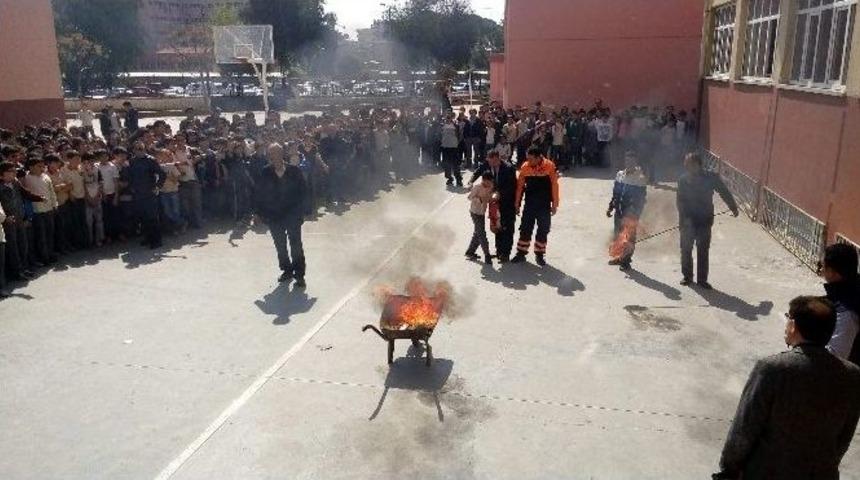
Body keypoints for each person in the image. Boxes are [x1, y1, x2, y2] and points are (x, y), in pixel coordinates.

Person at [714, 296, 860, 480]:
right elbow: (845, 436)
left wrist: (729, 469)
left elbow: (745, 427)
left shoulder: (773, 368)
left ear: (793, 325)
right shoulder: (852, 375)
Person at [676, 152, 739, 289]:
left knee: (703, 250)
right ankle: (687, 276)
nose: (688, 167)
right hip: (688, 221)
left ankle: (702, 280)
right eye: (686, 165)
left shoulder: (711, 178)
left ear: (699, 165)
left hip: (704, 220)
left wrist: (733, 207)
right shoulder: (682, 180)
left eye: (691, 164)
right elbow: (680, 201)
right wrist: (682, 220)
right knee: (686, 249)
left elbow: (724, 191)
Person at [253, 143, 308, 288]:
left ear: (282, 154)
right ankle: (287, 270)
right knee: (280, 246)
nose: (274, 157)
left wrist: (302, 211)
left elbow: (303, 191)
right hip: (274, 216)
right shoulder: (265, 172)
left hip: (292, 215)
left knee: (296, 245)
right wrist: (257, 212)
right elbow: (259, 193)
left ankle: (300, 275)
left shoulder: (294, 170)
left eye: (277, 153)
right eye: (271, 154)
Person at [512, 147, 560, 266]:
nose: (528, 161)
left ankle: (539, 254)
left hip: (544, 205)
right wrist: (517, 204)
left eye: (531, 159)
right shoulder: (525, 167)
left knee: (543, 229)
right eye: (527, 158)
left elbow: (555, 185)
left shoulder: (549, 166)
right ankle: (521, 253)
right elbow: (520, 187)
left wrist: (555, 204)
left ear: (539, 157)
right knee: (525, 228)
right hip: (530, 204)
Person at [470, 150, 517, 262]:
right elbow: (477, 172)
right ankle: (499, 251)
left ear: (498, 159)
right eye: (489, 161)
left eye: (493, 162)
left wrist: (499, 194)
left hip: (506, 201)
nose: (490, 164)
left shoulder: (509, 168)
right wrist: (471, 181)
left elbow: (512, 186)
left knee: (507, 227)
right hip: (494, 203)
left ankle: (505, 253)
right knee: (497, 225)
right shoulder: (487, 164)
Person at [606, 151, 648, 271]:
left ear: (635, 162)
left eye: (631, 161)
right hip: (618, 212)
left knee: (629, 238)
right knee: (618, 235)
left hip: (630, 214)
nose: (629, 163)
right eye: (627, 160)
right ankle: (619, 257)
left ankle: (626, 261)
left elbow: (641, 199)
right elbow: (615, 194)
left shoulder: (640, 179)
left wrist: (634, 214)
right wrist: (610, 207)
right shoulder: (620, 175)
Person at [821, 243, 860, 365]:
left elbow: (836, 356)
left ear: (833, 272)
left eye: (822, 266)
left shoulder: (846, 312)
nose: (821, 270)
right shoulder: (854, 286)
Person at [126, 142, 165, 249]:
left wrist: (157, 186)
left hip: (149, 193)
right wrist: (132, 187)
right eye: (137, 149)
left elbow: (162, 174)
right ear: (134, 150)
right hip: (138, 194)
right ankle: (147, 238)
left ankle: (156, 241)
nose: (140, 150)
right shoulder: (132, 161)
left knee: (152, 218)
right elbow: (131, 176)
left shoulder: (151, 160)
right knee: (142, 218)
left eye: (141, 148)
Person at [465, 172, 494, 264]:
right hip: (475, 212)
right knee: (481, 233)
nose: (490, 183)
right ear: (484, 180)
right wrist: (480, 199)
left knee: (478, 232)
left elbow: (491, 195)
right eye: (488, 182)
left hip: (482, 213)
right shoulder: (477, 187)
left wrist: (491, 198)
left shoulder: (491, 187)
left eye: (491, 182)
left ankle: (470, 252)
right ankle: (487, 254)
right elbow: (469, 197)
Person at [440, 114, 462, 187]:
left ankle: (458, 179)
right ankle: (449, 178)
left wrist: (457, 143)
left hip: (454, 147)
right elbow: (439, 135)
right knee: (446, 164)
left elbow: (460, 135)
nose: (448, 119)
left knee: (455, 164)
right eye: (447, 118)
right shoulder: (442, 126)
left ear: (452, 118)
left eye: (449, 118)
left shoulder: (456, 126)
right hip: (445, 147)